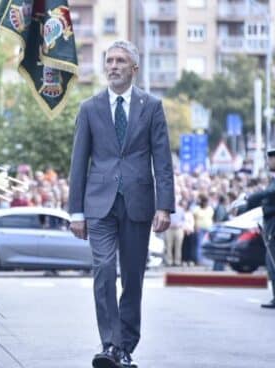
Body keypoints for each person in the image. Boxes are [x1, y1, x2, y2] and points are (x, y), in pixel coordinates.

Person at [67, 40, 174, 368]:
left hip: (139, 203)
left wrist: (165, 205)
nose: (113, 66)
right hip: (99, 204)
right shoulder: (90, 108)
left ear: (134, 69)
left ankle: (125, 345)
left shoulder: (152, 106)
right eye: (109, 60)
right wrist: (75, 211)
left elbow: (162, 159)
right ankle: (111, 344)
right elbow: (78, 161)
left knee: (132, 276)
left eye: (120, 61)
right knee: (102, 270)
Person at [235, 148, 275, 309]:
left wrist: (248, 198)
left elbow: (269, 195)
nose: (269, 161)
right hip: (270, 227)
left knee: (272, 262)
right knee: (271, 263)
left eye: (271, 158)